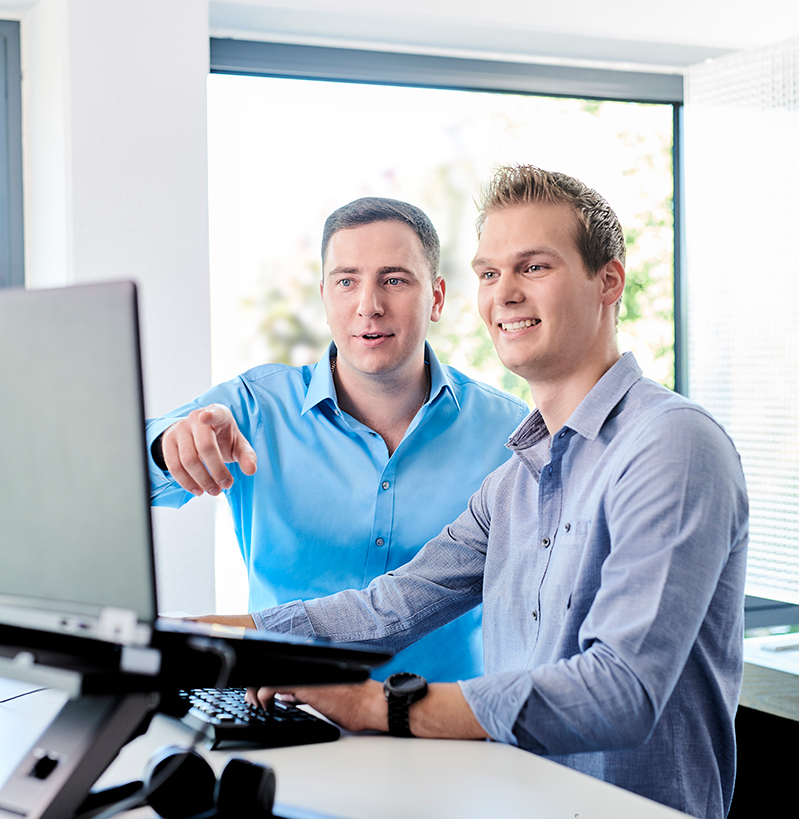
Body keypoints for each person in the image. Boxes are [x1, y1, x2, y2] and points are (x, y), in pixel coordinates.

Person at [205, 166, 748, 819]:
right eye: (489, 274)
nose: (504, 294)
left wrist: (375, 703)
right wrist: (196, 637)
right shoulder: (514, 480)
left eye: (533, 267)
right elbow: (390, 605)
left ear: (608, 280)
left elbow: (620, 690)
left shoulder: (671, 445)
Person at [147, 196, 529, 682]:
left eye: (394, 280)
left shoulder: (510, 433)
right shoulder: (255, 409)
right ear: (324, 297)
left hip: (441, 729)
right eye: (347, 281)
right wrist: (168, 447)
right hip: (281, 713)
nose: (368, 306)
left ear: (436, 298)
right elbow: (120, 474)